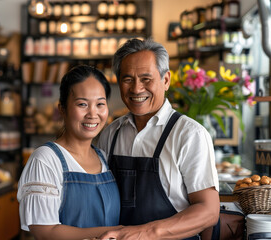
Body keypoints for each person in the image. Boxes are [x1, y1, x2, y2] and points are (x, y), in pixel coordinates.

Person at [97, 38, 220, 240]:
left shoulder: (189, 135)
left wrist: (144, 233)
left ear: (166, 80)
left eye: (146, 79)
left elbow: (209, 211)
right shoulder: (111, 133)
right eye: (128, 79)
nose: (136, 89)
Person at [17, 65, 123, 239]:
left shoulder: (103, 157)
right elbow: (45, 232)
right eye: (82, 104)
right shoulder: (45, 159)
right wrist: (116, 233)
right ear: (62, 109)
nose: (93, 113)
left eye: (100, 104)